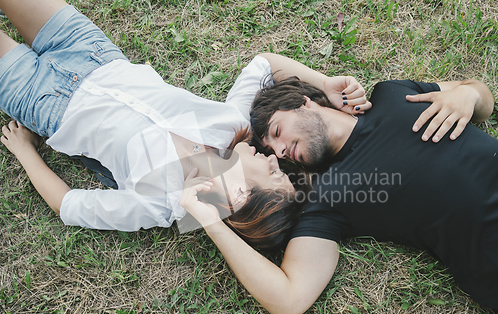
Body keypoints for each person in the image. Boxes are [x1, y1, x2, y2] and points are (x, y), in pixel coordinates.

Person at [0, 0, 370, 236]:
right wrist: (324, 84)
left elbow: (68, 205)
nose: (275, 158)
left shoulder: (159, 204)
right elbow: (263, 65)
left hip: (45, 104)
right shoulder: (233, 126)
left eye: (274, 173)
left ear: (239, 195)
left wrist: (24, 151)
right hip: (93, 53)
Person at [181, 52, 498, 314]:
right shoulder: (327, 199)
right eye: (273, 150)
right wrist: (209, 220)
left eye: (277, 130)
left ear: (302, 103)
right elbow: (289, 300)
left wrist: (468, 93)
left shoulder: (392, 94)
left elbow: (484, 100)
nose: (279, 152)